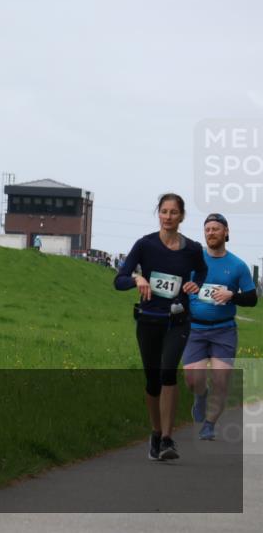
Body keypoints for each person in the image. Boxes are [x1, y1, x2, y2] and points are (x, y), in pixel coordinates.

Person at [114, 193, 207, 461]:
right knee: (153, 381)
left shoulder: (192, 249)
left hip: (177, 320)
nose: (168, 217)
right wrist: (137, 279)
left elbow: (200, 272)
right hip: (148, 320)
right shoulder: (145, 245)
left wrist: (195, 284)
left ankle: (168, 438)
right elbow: (119, 280)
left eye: (173, 212)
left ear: (182, 216)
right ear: (159, 214)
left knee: (168, 372)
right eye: (164, 212)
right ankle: (155, 433)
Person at [183, 213, 258, 440]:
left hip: (223, 330)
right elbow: (182, 287)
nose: (211, 233)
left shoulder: (237, 266)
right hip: (195, 329)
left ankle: (209, 424)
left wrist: (232, 295)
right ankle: (201, 396)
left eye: (216, 229)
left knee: (221, 379)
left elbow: (252, 299)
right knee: (193, 379)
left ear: (226, 232)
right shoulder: (195, 261)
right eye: (207, 229)